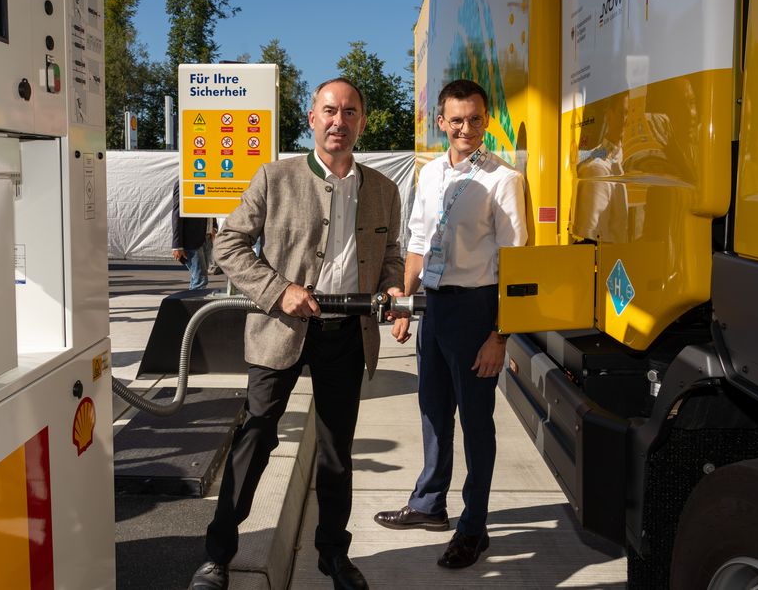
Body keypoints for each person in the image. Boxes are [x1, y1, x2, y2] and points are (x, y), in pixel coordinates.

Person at [189, 78, 406, 590]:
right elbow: (230, 245)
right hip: (281, 328)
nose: (339, 121)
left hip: (347, 334)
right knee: (257, 436)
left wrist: (394, 290)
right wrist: (278, 289)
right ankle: (218, 555)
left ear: (362, 121)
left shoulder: (383, 190)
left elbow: (390, 256)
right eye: (329, 111)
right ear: (311, 119)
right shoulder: (275, 177)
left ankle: (333, 553)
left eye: (350, 112)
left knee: (336, 450)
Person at [374, 79, 527, 569]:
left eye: (475, 119)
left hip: (477, 309)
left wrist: (499, 335)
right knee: (433, 409)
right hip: (435, 308)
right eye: (456, 120)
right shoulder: (432, 173)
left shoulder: (504, 180)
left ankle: (473, 528)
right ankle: (429, 505)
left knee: (477, 423)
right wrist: (405, 304)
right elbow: (417, 242)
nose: (465, 128)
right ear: (441, 122)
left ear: (487, 121)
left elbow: (515, 263)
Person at [172, 180, 210, 290]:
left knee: (198, 279)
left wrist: (213, 225)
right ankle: (195, 306)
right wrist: (177, 245)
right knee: (200, 280)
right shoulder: (183, 182)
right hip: (191, 239)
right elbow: (176, 213)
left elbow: (210, 206)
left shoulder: (206, 179)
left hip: (204, 236)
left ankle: (192, 305)